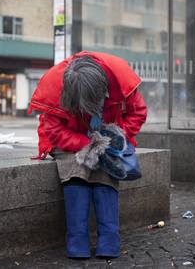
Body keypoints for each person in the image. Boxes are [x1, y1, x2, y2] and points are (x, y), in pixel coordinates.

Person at [28, 51, 147, 259]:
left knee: (104, 170)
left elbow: (137, 113)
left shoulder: (120, 78)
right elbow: (54, 131)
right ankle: (77, 241)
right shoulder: (54, 82)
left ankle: (109, 240)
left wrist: (113, 139)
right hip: (69, 142)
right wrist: (88, 144)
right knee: (76, 170)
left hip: (109, 137)